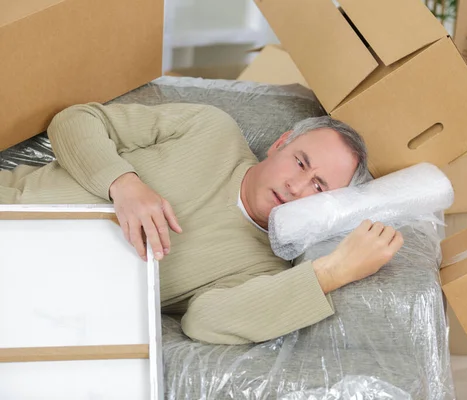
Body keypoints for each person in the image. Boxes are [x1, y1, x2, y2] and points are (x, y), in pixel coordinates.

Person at [0, 102, 404, 345]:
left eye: (319, 186)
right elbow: (76, 120)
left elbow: (206, 321)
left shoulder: (266, 266)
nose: (297, 186)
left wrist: (332, 272)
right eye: (300, 162)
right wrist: (122, 183)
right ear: (280, 144)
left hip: (27, 300)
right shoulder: (211, 128)